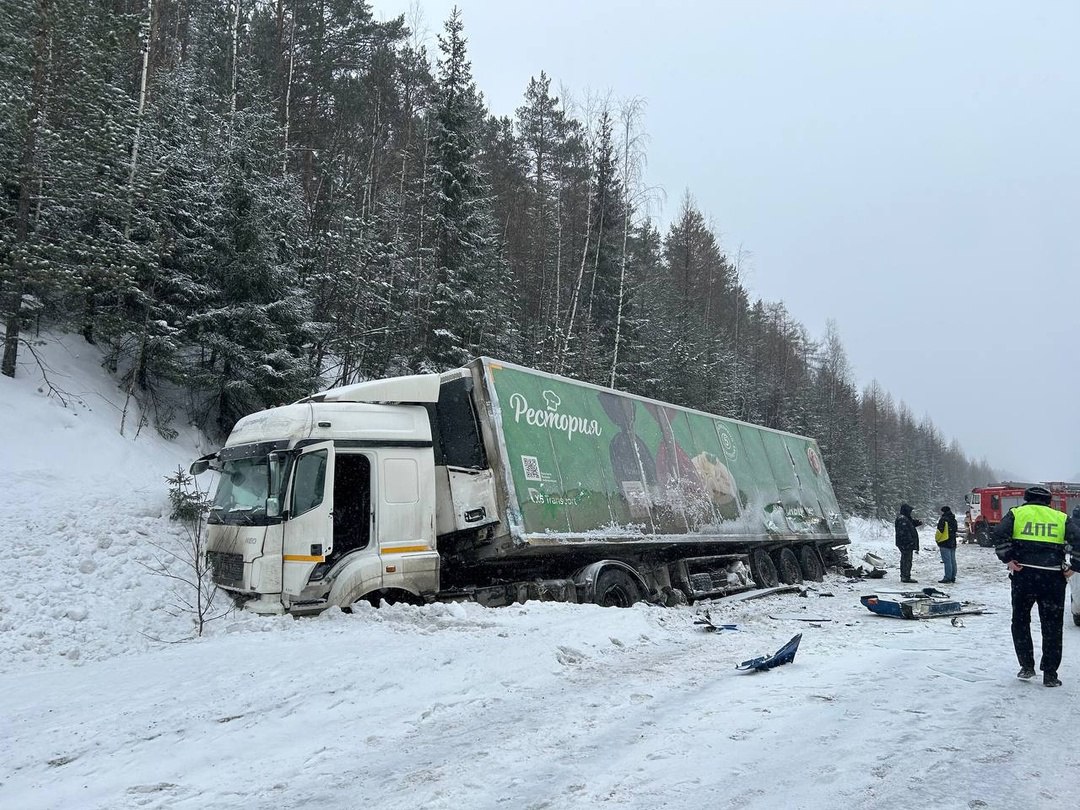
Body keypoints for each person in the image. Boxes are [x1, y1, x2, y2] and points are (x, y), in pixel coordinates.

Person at [993, 485, 1080, 687]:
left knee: (1021, 620)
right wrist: (1074, 566)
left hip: (1024, 575)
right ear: (1049, 501)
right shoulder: (1060, 517)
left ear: (1026, 499)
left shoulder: (1016, 514)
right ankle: (1050, 673)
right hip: (1053, 578)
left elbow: (998, 535)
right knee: (1052, 625)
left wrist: (1008, 559)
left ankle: (1026, 666)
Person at [894, 502, 922, 583]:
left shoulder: (904, 518)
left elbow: (910, 523)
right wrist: (909, 542)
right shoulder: (902, 519)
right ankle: (905, 576)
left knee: (906, 559)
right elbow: (904, 532)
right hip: (905, 544)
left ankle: (905, 575)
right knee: (906, 560)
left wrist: (916, 523)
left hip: (905, 543)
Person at [935, 506, 959, 583]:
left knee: (947, 561)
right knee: (952, 560)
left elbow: (940, 531)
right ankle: (953, 576)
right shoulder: (954, 519)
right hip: (952, 542)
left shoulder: (943, 520)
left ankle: (947, 577)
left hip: (944, 542)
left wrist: (937, 540)